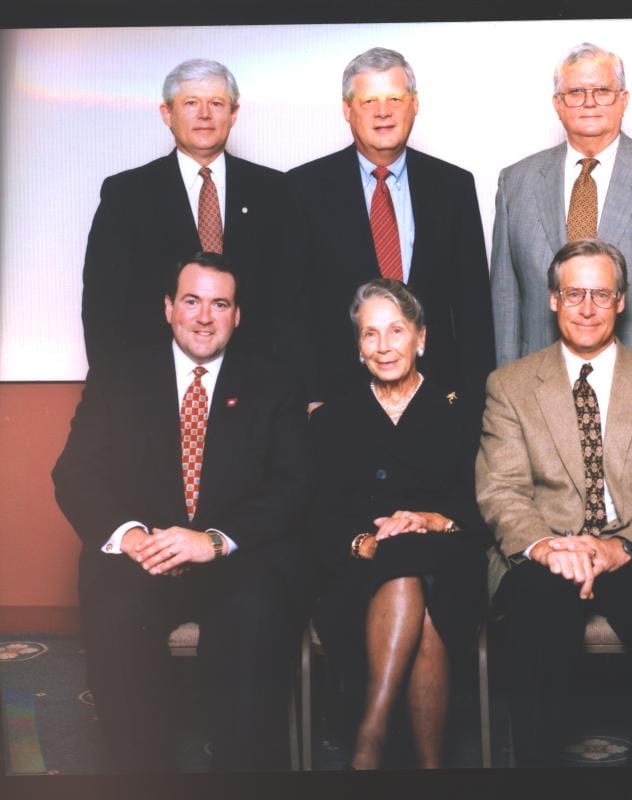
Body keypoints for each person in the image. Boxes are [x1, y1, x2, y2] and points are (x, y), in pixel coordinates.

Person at [53, 253, 311, 772]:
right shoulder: (119, 374)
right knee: (117, 612)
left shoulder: (273, 380)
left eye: (220, 304)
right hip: (141, 558)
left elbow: (294, 484)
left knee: (256, 615)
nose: (204, 316)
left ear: (237, 315)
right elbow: (74, 472)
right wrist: (127, 536)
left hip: (237, 559)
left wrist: (213, 540)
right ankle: (142, 776)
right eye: (192, 300)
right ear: (169, 307)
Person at [476, 238, 632, 767]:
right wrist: (548, 548)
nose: (586, 308)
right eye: (573, 293)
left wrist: (619, 549)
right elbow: (501, 491)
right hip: (546, 551)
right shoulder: (509, 386)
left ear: (621, 300)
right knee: (533, 614)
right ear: (552, 298)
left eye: (601, 295)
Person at [490, 42, 632, 435]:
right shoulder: (516, 182)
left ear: (623, 100)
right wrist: (506, 393)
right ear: (557, 104)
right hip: (540, 387)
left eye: (602, 91)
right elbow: (506, 298)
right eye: (576, 92)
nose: (589, 102)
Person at [308, 279, 487, 770]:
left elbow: (488, 500)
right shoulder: (331, 418)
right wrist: (362, 542)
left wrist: (433, 519)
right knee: (409, 581)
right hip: (360, 568)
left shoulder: (464, 409)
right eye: (371, 334)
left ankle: (370, 738)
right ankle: (429, 768)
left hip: (448, 554)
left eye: (396, 331)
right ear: (358, 346)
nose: (384, 347)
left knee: (417, 570)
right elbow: (316, 511)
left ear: (421, 338)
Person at [286, 47, 494, 421]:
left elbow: (473, 308)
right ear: (347, 109)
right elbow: (293, 308)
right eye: (369, 100)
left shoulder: (454, 186)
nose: (383, 111)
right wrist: (311, 394)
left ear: (415, 105)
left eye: (395, 98)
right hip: (338, 401)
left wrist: (475, 401)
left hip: (438, 399)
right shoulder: (303, 189)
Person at [82, 59, 287, 370]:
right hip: (153, 383)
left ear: (233, 113)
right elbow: (102, 306)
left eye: (216, 103)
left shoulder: (274, 191)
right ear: (167, 113)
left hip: (255, 382)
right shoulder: (126, 194)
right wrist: (110, 392)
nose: (204, 114)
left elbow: (289, 301)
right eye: (191, 102)